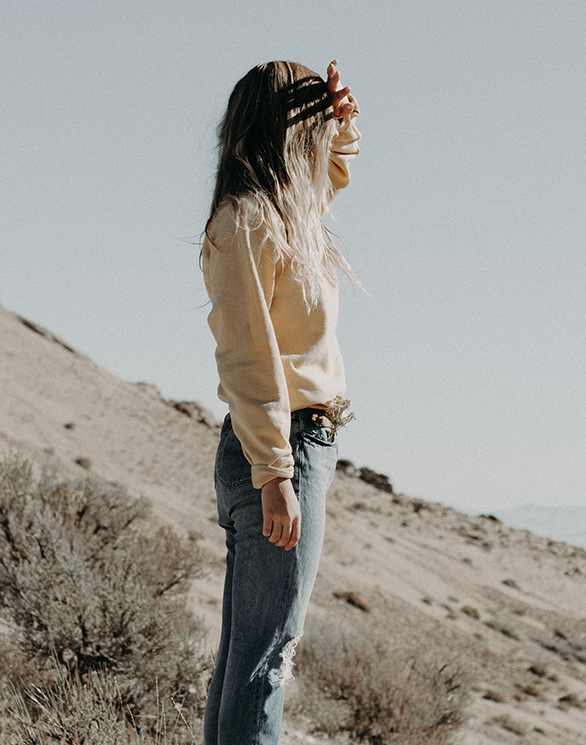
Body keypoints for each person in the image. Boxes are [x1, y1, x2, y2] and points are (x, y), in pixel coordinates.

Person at [200, 59, 360, 745]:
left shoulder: (278, 214)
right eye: (313, 121)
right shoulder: (251, 220)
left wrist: (344, 124)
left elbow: (329, 175)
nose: (320, 135)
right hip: (282, 447)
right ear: (285, 128)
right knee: (265, 659)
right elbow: (247, 354)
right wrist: (276, 474)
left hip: (283, 445)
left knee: (247, 658)